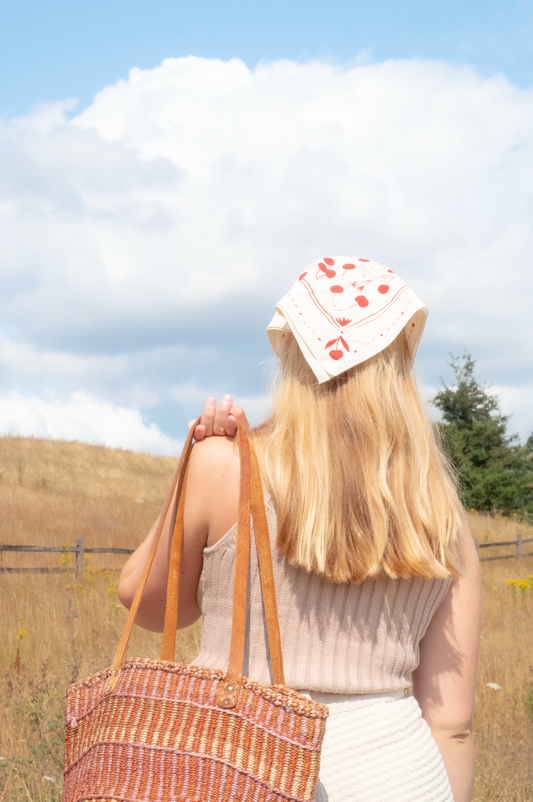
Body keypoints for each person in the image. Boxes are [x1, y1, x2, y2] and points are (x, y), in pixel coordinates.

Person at [118, 255, 481, 802]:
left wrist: (191, 471)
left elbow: (147, 605)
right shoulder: (441, 516)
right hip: (400, 777)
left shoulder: (225, 466)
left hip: (238, 765)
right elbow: (451, 722)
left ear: (291, 352)